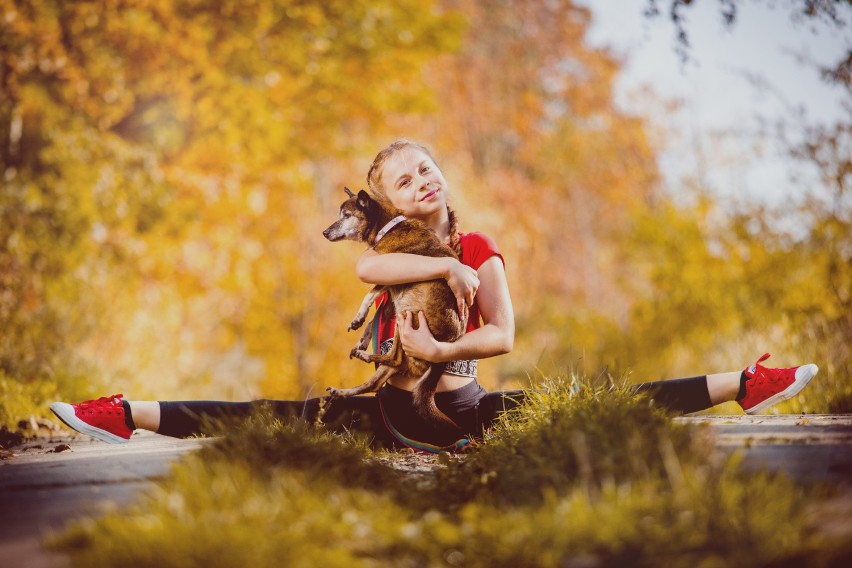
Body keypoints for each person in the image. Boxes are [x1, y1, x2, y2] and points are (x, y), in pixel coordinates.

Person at [50, 139, 819, 453]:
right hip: (385, 404)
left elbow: (504, 336)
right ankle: (123, 415)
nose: (423, 180)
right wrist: (437, 276)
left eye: (426, 169)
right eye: (402, 179)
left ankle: (745, 386)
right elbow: (363, 274)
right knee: (271, 416)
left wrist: (444, 347)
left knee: (597, 400)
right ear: (386, 203)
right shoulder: (387, 253)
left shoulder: (480, 250)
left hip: (461, 405)